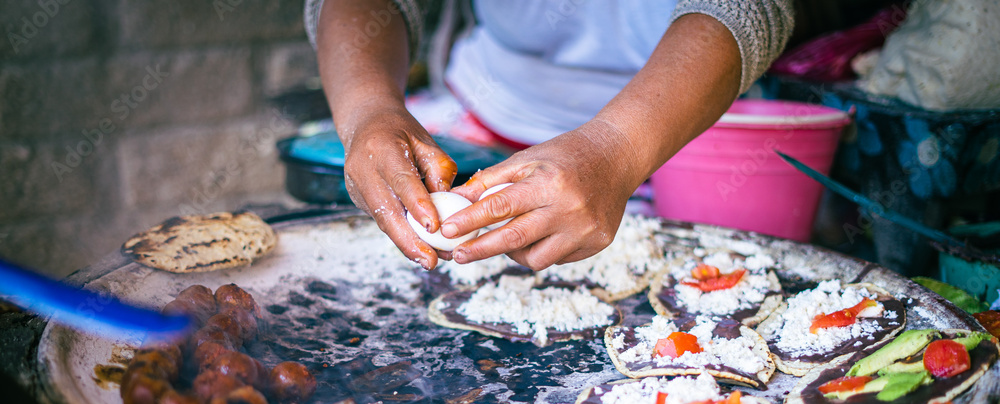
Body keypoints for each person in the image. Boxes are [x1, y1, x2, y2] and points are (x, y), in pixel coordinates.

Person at [305, 0, 793, 271]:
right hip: (486, 113)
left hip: (686, 132)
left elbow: (749, 8)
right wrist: (368, 107)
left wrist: (615, 149)